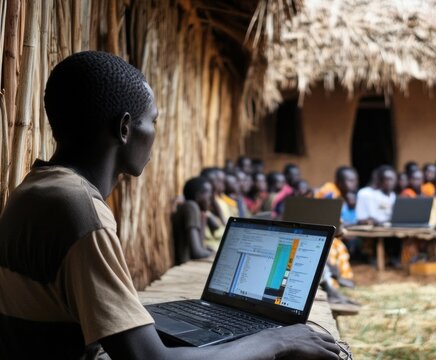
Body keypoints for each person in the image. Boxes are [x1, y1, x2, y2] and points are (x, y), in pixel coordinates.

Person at [0, 51, 339, 359]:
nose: (155, 133)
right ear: (125, 128)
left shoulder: (32, 190)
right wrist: (275, 340)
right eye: (153, 121)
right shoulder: (79, 210)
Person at [172, 177, 214, 265]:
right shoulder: (191, 207)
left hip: (188, 263)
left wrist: (203, 219)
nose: (211, 200)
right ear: (198, 196)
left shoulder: (194, 209)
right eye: (209, 196)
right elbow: (197, 252)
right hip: (185, 266)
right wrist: (216, 254)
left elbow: (200, 247)